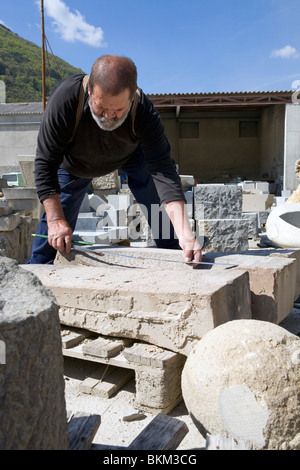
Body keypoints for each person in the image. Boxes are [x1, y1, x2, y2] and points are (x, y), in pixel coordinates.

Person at [29, 55, 202, 264]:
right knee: (56, 228)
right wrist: (56, 220)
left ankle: (178, 250)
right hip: (76, 163)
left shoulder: (144, 111)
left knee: (156, 197)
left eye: (119, 110)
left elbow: (164, 170)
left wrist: (185, 232)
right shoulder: (66, 98)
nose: (108, 117)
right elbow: (45, 164)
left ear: (132, 96)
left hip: (129, 155)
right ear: (90, 90)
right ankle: (39, 268)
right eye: (101, 108)